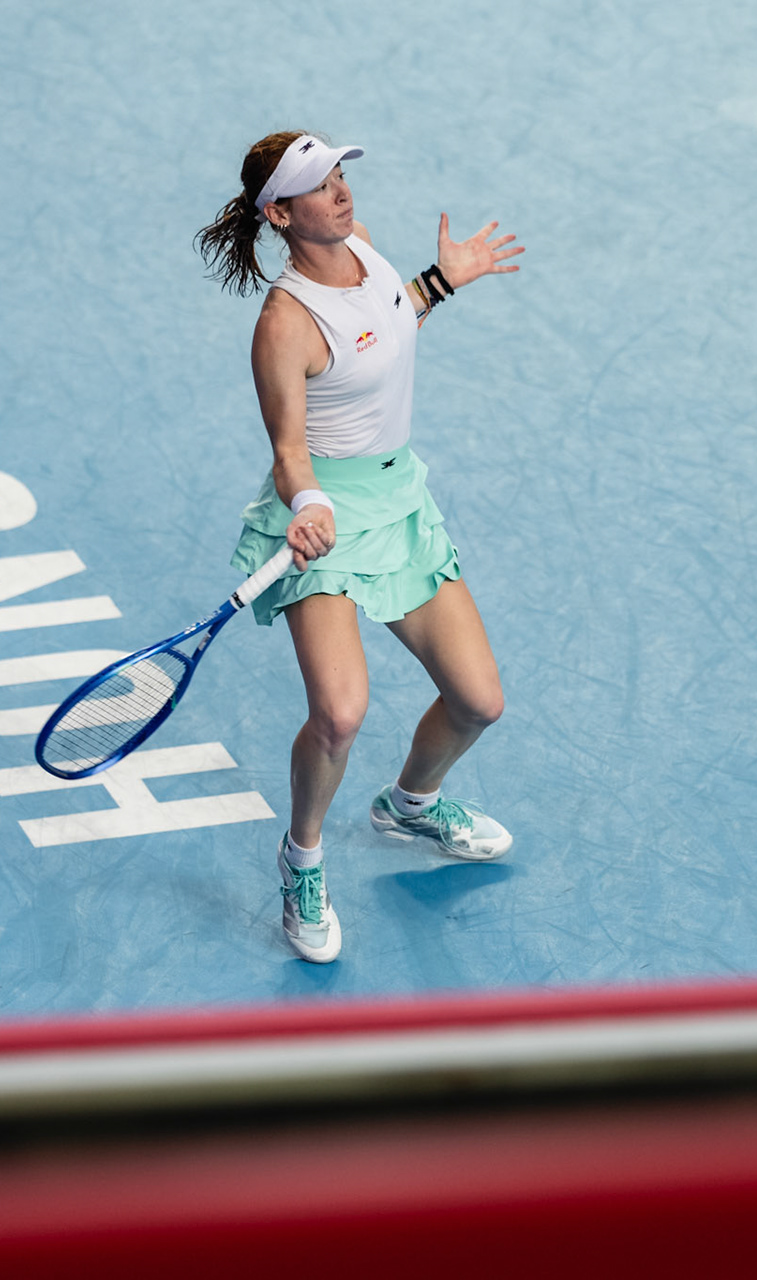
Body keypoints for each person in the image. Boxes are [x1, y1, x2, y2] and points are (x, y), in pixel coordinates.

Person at [194, 131, 524, 964]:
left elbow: (386, 321)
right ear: (280, 213)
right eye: (318, 185)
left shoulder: (368, 255)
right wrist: (305, 503)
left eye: (340, 174)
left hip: (398, 503)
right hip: (324, 523)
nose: (340, 192)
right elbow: (289, 448)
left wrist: (445, 279)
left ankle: (411, 803)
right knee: (339, 715)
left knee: (478, 702)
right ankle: (301, 856)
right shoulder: (283, 323)